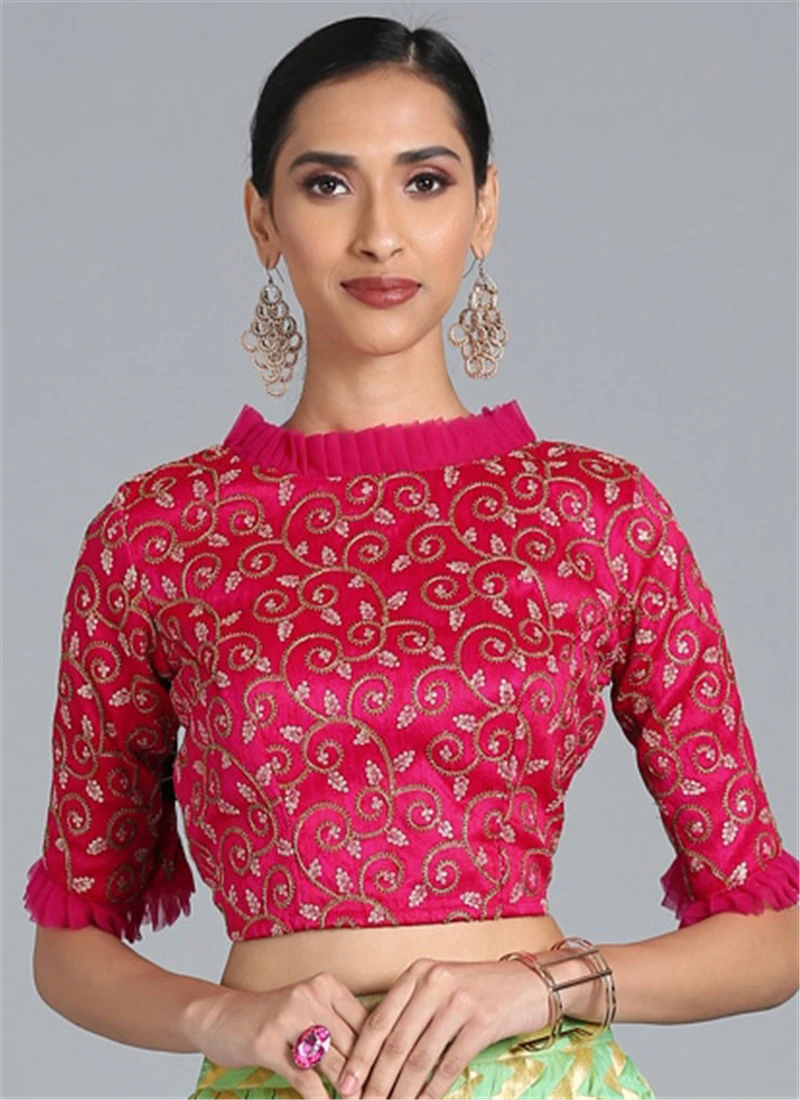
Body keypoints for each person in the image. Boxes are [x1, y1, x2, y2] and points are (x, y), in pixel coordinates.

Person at [23, 15, 799, 1100]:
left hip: (541, 1079)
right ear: (262, 218)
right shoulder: (158, 533)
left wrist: (539, 985)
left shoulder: (597, 513)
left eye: (425, 182)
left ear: (484, 210)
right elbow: (70, 943)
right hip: (277, 1086)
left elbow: (770, 937)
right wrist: (227, 1017)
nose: (380, 235)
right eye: (327, 185)